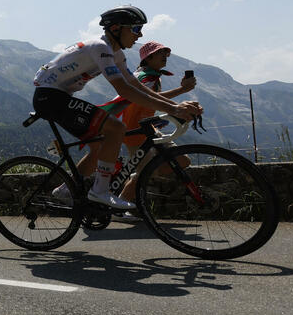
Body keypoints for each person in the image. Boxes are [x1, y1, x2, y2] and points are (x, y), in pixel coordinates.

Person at [32, 5, 202, 210]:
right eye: (136, 29)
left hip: (59, 96)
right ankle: (100, 191)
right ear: (115, 28)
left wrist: (175, 106)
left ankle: (65, 190)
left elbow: (136, 86)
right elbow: (124, 89)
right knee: (116, 128)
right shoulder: (100, 48)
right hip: (49, 96)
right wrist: (175, 109)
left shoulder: (116, 54)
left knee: (99, 145)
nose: (139, 35)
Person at [69, 41, 198, 215]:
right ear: (149, 57)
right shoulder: (145, 76)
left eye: (166, 54)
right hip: (135, 132)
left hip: (148, 129)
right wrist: (181, 92)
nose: (165, 57)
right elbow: (147, 97)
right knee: (145, 171)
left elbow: (151, 100)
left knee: (182, 161)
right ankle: (121, 203)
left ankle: (135, 178)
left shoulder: (147, 75)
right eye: (161, 54)